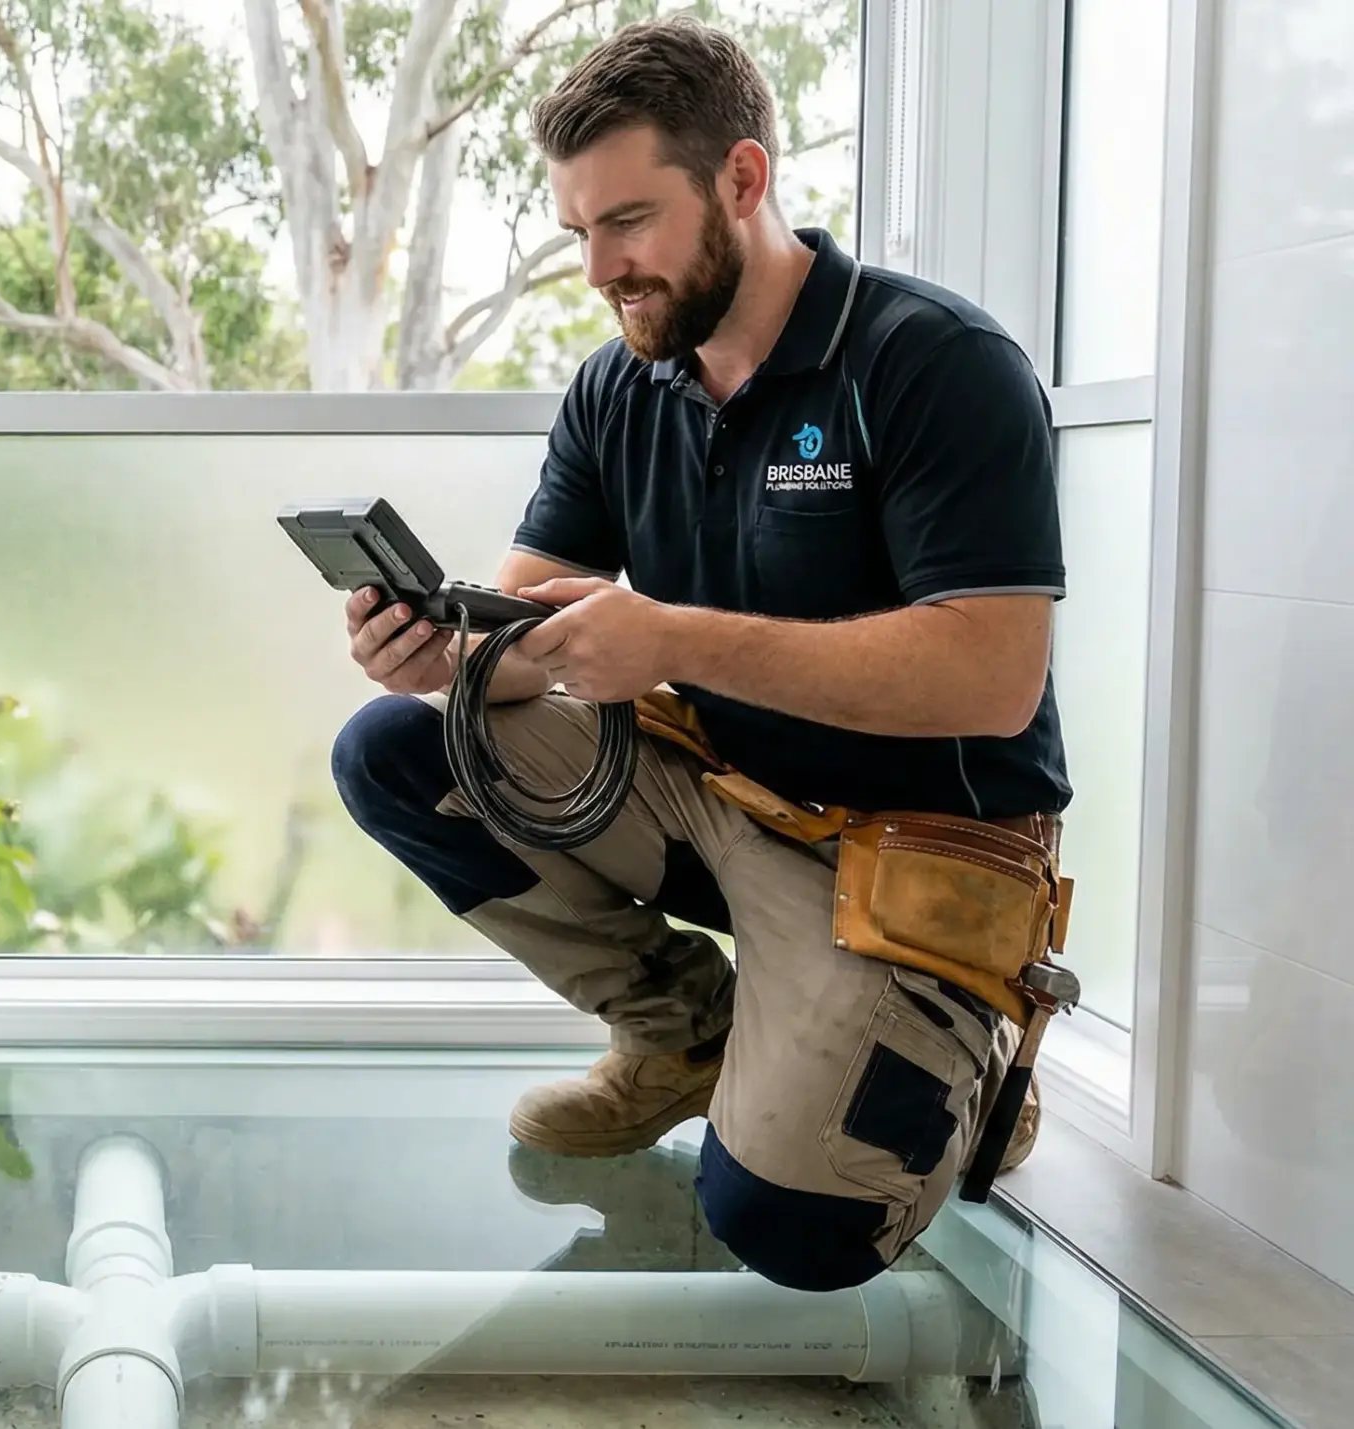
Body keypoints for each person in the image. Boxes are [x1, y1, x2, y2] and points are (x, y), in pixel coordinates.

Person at [330, 16, 1069, 1292]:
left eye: (628, 222)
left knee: (785, 1230)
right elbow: (525, 637)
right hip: (721, 808)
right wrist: (442, 661)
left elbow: (990, 675)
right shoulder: (619, 386)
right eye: (577, 233)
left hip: (914, 854)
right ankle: (686, 1037)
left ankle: (969, 1069)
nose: (600, 269)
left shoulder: (932, 365)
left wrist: (670, 638)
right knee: (401, 753)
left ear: (741, 178)